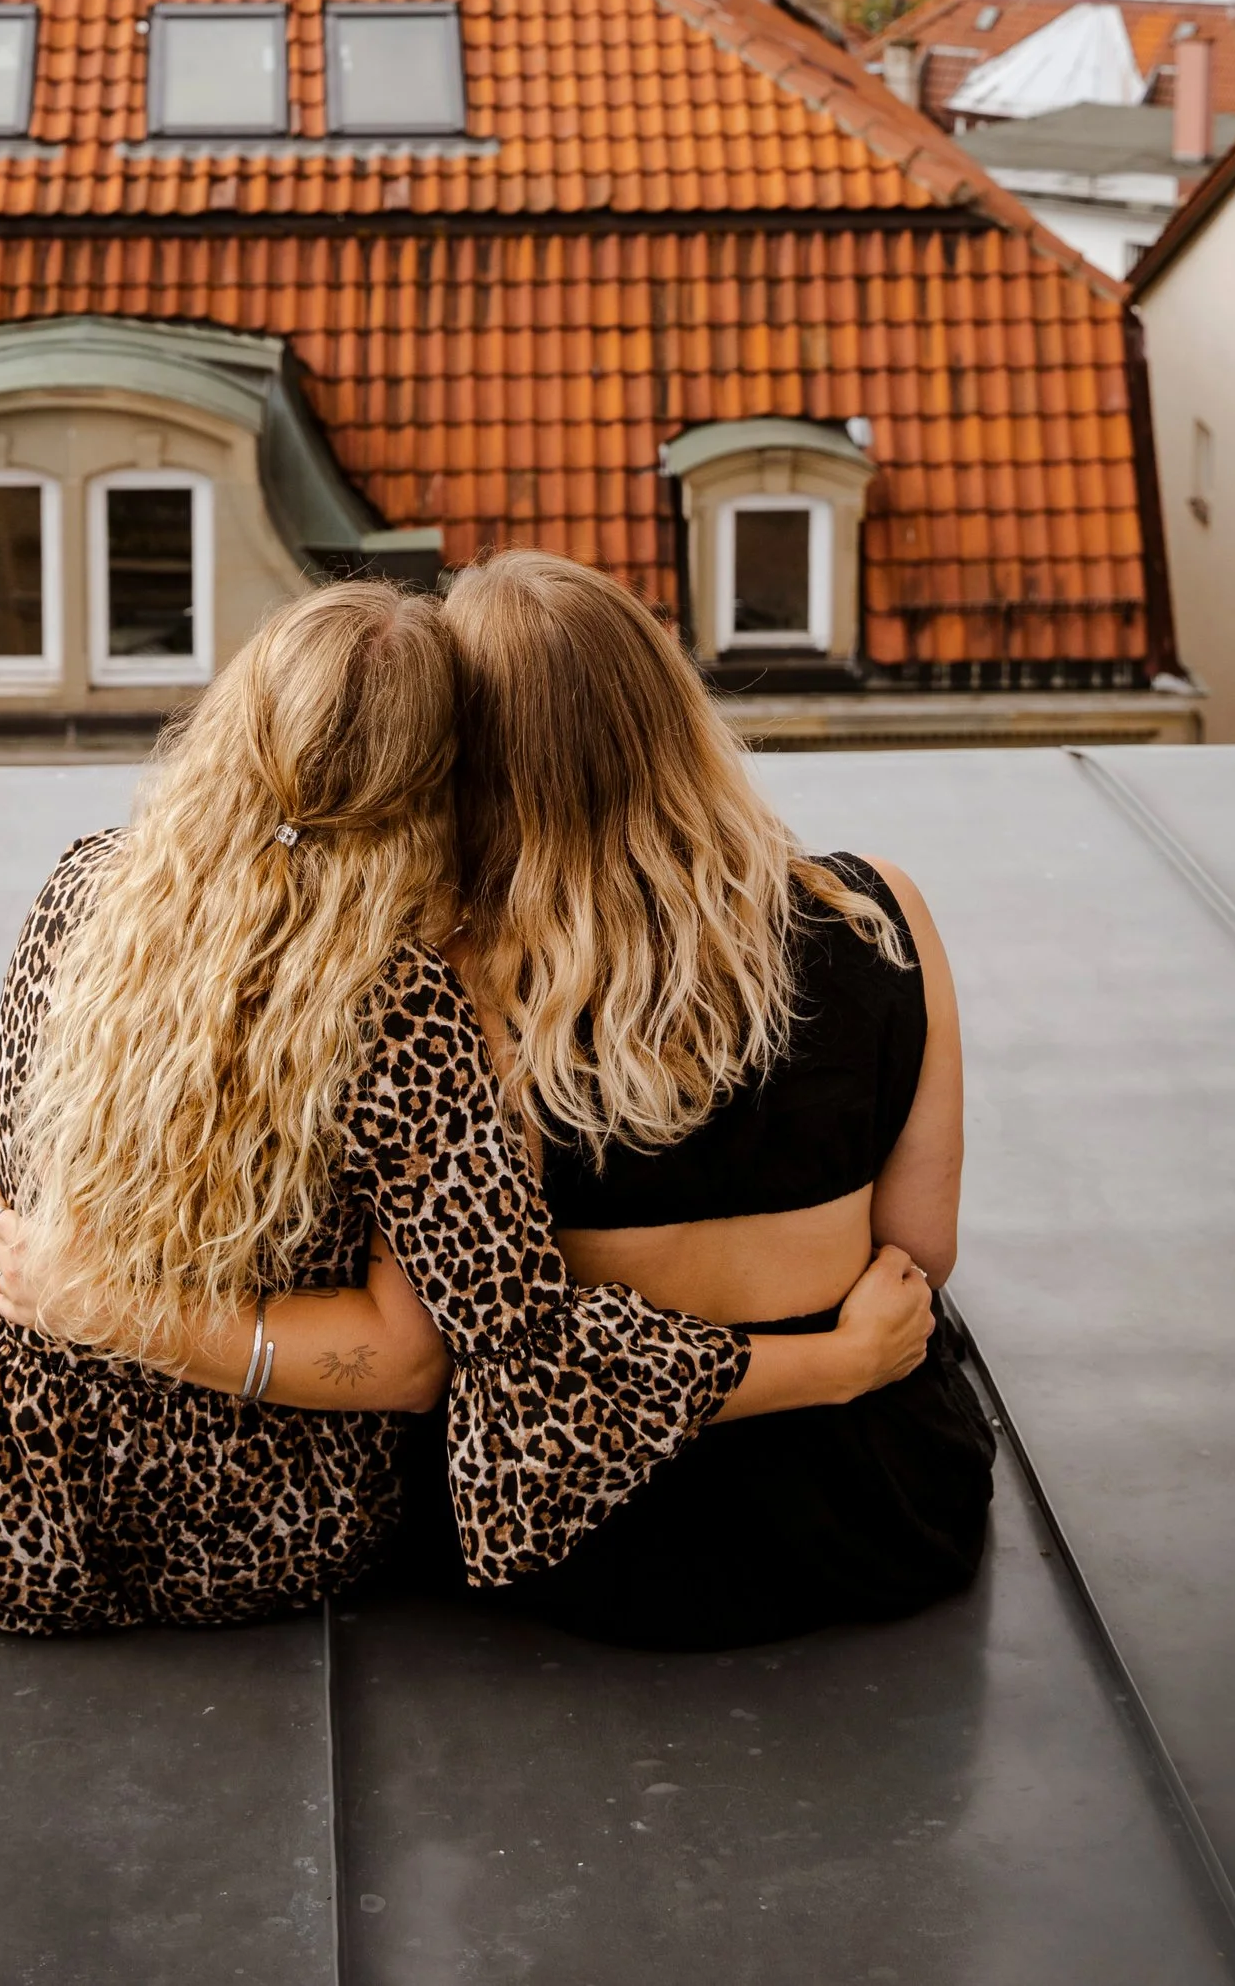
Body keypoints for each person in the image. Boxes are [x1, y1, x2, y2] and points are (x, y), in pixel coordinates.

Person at [0, 576, 836, 1636]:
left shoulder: (83, 895)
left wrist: (98, 1305)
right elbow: (446, 1362)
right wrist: (839, 1361)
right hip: (254, 1533)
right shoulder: (405, 1013)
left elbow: (43, 1224)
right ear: (444, 783)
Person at [435, 548, 993, 1649]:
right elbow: (917, 1251)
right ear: (674, 710)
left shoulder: (466, 985)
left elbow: (496, 1347)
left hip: (594, 1532)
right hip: (879, 1503)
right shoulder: (879, 910)